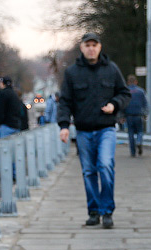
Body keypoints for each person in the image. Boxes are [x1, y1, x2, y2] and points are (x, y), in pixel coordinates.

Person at [57, 32, 131, 230]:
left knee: (105, 165)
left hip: (106, 128)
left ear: (99, 47)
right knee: (88, 171)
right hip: (83, 131)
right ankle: (94, 211)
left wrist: (114, 105)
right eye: (87, 45)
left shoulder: (111, 69)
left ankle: (107, 211)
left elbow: (124, 93)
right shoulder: (72, 73)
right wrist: (64, 126)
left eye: (94, 45)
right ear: (82, 47)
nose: (91, 48)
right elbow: (65, 101)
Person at [123, 74, 148, 157]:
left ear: (128, 82)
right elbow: (145, 104)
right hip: (139, 115)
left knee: (130, 133)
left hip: (128, 115)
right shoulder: (141, 91)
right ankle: (139, 141)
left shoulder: (125, 92)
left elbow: (122, 104)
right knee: (140, 131)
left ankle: (133, 152)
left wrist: (121, 116)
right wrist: (145, 113)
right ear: (136, 82)